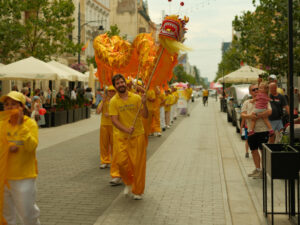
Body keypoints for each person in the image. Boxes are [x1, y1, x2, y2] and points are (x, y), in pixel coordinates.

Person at [0, 91, 41, 225]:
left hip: (24, 178)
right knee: (6, 216)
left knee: (28, 215)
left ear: (22, 107)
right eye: (7, 105)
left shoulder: (30, 124)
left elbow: (31, 147)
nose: (9, 107)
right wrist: (8, 147)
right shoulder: (2, 124)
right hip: (4, 177)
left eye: (13, 104)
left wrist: (20, 125)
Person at [109, 74, 148, 200]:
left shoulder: (136, 98)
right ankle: (128, 182)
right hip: (122, 137)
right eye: (117, 83)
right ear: (115, 86)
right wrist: (126, 129)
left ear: (125, 83)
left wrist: (145, 104)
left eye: (122, 82)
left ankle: (137, 191)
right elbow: (114, 120)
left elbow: (145, 115)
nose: (120, 84)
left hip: (138, 136)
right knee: (121, 163)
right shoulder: (113, 101)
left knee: (138, 165)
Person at [241, 84, 272, 179]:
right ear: (250, 92)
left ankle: (263, 171)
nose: (256, 91)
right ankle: (257, 169)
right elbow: (243, 114)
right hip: (252, 131)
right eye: (253, 90)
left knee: (263, 151)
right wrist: (250, 116)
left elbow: (270, 111)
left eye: (257, 89)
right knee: (254, 151)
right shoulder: (247, 102)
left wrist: (259, 115)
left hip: (263, 130)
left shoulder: (264, 99)